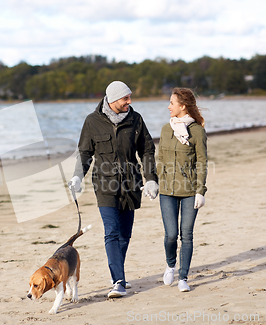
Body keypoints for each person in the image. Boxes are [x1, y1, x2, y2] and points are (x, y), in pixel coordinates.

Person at [69, 81, 159, 298]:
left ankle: (117, 273)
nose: (129, 101)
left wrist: (150, 179)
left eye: (130, 97)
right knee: (112, 231)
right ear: (112, 99)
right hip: (104, 184)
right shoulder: (92, 122)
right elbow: (84, 153)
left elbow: (147, 150)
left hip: (131, 184)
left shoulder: (136, 120)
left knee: (125, 235)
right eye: (125, 98)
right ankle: (118, 281)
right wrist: (77, 177)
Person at [157, 87, 207, 292]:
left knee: (186, 234)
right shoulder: (165, 130)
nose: (169, 106)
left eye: (172, 103)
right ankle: (170, 265)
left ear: (182, 106)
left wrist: (200, 191)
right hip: (167, 190)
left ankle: (183, 277)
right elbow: (160, 158)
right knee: (170, 235)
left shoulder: (197, 131)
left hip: (189, 191)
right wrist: (155, 181)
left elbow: (202, 162)